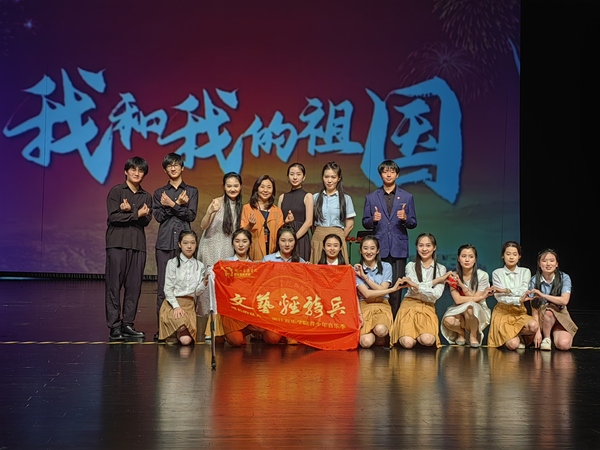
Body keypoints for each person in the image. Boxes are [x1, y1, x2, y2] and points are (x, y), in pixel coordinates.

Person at [105, 156, 153, 341]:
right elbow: (113, 217)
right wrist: (136, 213)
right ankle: (114, 326)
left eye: (140, 171)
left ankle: (128, 324)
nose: (137, 173)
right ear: (126, 171)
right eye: (133, 169)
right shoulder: (116, 191)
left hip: (137, 245)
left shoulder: (146, 196)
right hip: (117, 243)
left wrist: (130, 213)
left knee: (134, 287)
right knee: (114, 286)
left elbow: (146, 220)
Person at [362, 160, 417, 318]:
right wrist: (373, 220)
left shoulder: (407, 197)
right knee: (379, 286)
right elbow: (365, 222)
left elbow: (413, 223)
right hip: (379, 248)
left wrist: (405, 218)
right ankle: (380, 320)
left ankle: (393, 323)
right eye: (385, 172)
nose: (388, 174)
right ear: (380, 175)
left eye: (392, 172)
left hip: (398, 248)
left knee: (396, 288)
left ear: (397, 175)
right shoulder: (371, 197)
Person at [153, 153, 198, 340]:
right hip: (164, 243)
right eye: (169, 166)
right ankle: (163, 328)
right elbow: (158, 217)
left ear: (182, 168)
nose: (173, 168)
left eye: (176, 165)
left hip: (184, 246)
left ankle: (184, 325)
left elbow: (191, 215)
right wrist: (177, 205)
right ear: (165, 170)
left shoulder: (191, 191)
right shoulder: (159, 193)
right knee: (163, 286)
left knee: (186, 285)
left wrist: (171, 204)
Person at [197, 172, 243, 339]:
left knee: (225, 286)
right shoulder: (216, 202)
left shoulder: (241, 206)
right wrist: (210, 211)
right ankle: (210, 328)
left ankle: (224, 326)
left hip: (228, 249)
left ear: (240, 187)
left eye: (235, 186)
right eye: (229, 186)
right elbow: (203, 226)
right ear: (224, 186)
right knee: (211, 285)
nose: (232, 189)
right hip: (211, 247)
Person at [391, 233, 451, 349]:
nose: (424, 249)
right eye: (421, 245)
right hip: (409, 305)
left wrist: (416, 286)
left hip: (427, 306)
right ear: (417, 247)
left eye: (428, 245)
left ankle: (418, 336)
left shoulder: (441, 268)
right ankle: (411, 336)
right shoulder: (410, 266)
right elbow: (412, 289)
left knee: (427, 340)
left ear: (434, 247)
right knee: (408, 343)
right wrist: (437, 280)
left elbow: (436, 294)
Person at [354, 236, 405, 348]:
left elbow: (382, 290)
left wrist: (365, 277)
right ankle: (375, 336)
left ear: (377, 250)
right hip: (365, 305)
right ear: (360, 250)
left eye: (372, 248)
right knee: (365, 342)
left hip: (382, 304)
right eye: (365, 248)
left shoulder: (386, 266)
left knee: (381, 330)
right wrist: (391, 290)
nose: (369, 252)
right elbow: (366, 294)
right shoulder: (356, 270)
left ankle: (379, 334)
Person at [488, 241, 538, 350]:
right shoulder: (497, 273)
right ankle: (513, 337)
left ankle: (516, 334)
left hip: (519, 311)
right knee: (513, 345)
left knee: (534, 326)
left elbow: (524, 290)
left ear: (519, 256)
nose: (511, 257)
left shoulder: (525, 271)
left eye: (515, 254)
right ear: (503, 255)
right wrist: (518, 299)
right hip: (503, 312)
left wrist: (505, 290)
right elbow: (500, 297)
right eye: (508, 254)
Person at [159, 230, 206, 345]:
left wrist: (204, 283)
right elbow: (168, 289)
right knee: (181, 325)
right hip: (173, 304)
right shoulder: (172, 263)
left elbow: (197, 292)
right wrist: (176, 307)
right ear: (180, 244)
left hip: (189, 305)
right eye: (185, 243)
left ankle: (176, 332)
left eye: (192, 243)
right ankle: (172, 330)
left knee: (186, 341)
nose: (189, 246)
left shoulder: (200, 266)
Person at [441, 244, 493, 348]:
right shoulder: (453, 276)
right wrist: (479, 297)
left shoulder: (482, 275)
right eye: (463, 256)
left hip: (478, 308)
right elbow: (457, 299)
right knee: (448, 320)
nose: (467, 260)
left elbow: (475, 301)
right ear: (458, 258)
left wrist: (462, 286)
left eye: (471, 256)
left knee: (470, 307)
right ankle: (461, 333)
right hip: (458, 307)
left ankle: (473, 335)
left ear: (475, 259)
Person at [219, 229, 265, 346]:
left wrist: (261, 269)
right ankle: (227, 333)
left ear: (250, 244)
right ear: (232, 244)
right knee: (238, 341)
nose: (240, 245)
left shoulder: (255, 265)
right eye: (237, 241)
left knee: (263, 328)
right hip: (232, 310)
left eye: (244, 241)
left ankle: (246, 332)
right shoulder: (225, 263)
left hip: (248, 309)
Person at [261, 225, 303, 344]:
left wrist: (309, 269)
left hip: (293, 310)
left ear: (295, 242)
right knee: (272, 338)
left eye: (290, 241)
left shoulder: (301, 262)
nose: (287, 244)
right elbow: (262, 286)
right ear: (278, 241)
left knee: (293, 342)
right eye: (283, 240)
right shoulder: (268, 260)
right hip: (274, 308)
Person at [529, 249, 577, 351]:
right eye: (544, 261)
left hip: (560, 314)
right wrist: (537, 332)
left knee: (564, 345)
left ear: (556, 264)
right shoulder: (534, 280)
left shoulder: (564, 278)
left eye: (551, 260)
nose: (548, 264)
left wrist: (543, 295)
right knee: (549, 312)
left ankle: (554, 334)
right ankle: (547, 338)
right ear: (539, 264)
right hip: (543, 318)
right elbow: (534, 309)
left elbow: (564, 301)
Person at [310, 161, 355, 264]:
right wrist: (318, 233)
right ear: (322, 177)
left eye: (333, 177)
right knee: (317, 271)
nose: (329, 180)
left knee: (338, 271)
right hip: (318, 238)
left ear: (339, 178)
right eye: (326, 177)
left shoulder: (346, 199)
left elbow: (350, 225)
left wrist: (338, 239)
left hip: (337, 239)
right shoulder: (315, 197)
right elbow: (311, 222)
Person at [241, 175, 284, 261]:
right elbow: (241, 233)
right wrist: (250, 225)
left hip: (273, 254)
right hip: (253, 254)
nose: (265, 190)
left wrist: (288, 223)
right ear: (256, 189)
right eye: (262, 187)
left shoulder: (277, 211)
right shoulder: (247, 208)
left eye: (269, 187)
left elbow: (281, 234)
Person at [278, 162, 314, 262]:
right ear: (288, 176)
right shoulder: (282, 197)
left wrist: (293, 238)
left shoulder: (308, 196)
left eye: (298, 174)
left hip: (301, 238)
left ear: (304, 177)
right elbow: (279, 222)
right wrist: (287, 239)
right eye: (292, 174)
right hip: (284, 239)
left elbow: (309, 222)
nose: (295, 177)